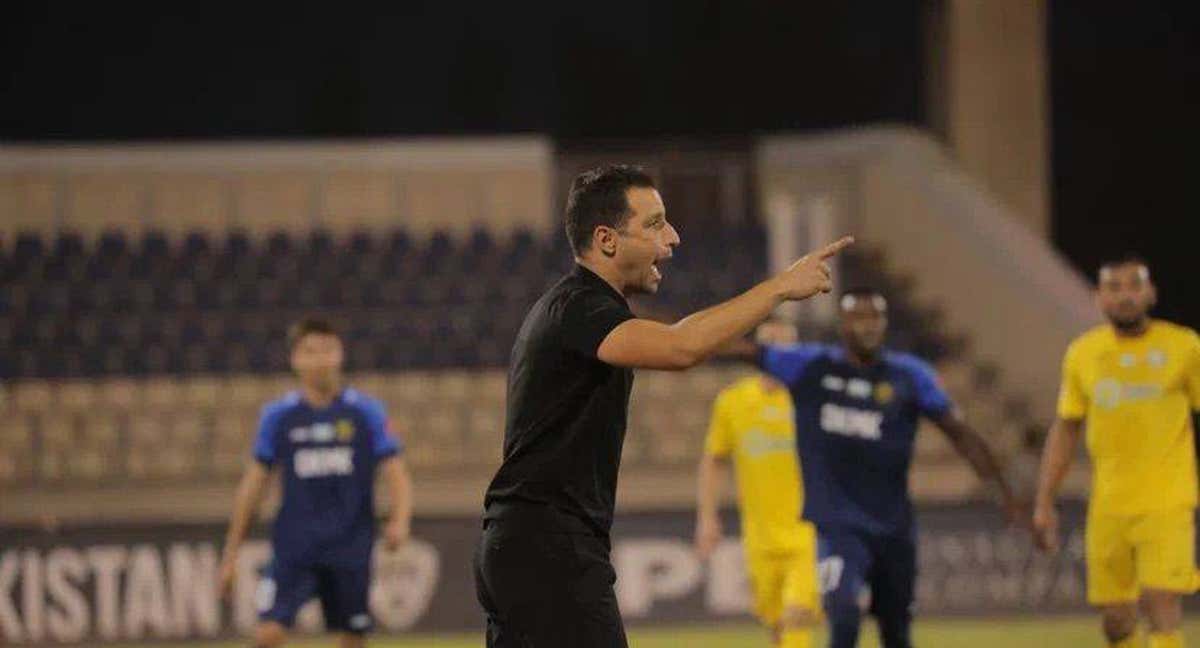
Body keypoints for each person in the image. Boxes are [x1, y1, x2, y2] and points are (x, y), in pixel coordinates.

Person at [472, 164, 853, 648]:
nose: (672, 238)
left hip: (527, 546)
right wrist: (779, 288)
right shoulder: (578, 308)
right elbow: (681, 348)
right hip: (547, 549)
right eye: (654, 224)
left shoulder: (576, 308)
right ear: (607, 240)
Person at [753, 289, 1022, 648]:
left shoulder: (909, 376)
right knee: (844, 613)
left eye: (874, 317)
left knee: (896, 634)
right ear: (842, 324)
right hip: (837, 526)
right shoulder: (811, 367)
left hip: (893, 530)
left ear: (884, 324)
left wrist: (1003, 490)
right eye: (857, 317)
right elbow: (739, 349)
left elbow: (961, 433)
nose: (867, 326)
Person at [1033, 256, 1200, 648]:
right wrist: (1044, 501)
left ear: (1151, 293)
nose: (1125, 296)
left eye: (1134, 286)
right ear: (1098, 298)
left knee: (1160, 598)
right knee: (1116, 619)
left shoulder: (1184, 347)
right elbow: (1066, 428)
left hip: (1168, 500)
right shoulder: (1083, 354)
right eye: (1114, 288)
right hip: (1109, 503)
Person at [218, 317, 413, 648]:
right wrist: (231, 553)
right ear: (295, 359)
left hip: (350, 547)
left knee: (353, 639)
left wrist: (400, 521)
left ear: (340, 354)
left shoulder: (367, 412)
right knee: (268, 633)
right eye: (310, 352)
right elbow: (253, 486)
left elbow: (396, 472)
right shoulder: (278, 416)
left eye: (328, 350)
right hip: (294, 548)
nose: (320, 360)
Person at [695, 322, 819, 648]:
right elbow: (714, 459)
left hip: (808, 532)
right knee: (777, 625)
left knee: (797, 618)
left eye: (785, 349)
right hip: (759, 538)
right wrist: (707, 517)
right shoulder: (732, 402)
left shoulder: (811, 399)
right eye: (770, 348)